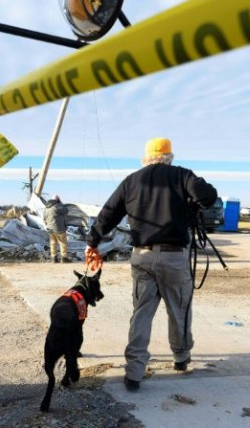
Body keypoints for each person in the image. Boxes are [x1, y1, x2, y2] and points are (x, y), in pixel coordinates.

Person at [85, 137, 217, 391]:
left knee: (142, 313)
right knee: (179, 310)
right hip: (174, 258)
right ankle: (180, 358)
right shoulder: (182, 176)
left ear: (146, 157)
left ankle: (134, 371)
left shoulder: (131, 181)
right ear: (169, 156)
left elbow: (108, 213)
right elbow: (208, 196)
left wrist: (93, 241)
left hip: (142, 256)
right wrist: (192, 204)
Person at [44, 194, 70, 263]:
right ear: (57, 199)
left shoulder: (46, 207)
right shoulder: (58, 206)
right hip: (59, 228)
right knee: (62, 243)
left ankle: (54, 258)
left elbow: (44, 218)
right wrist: (60, 203)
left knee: (53, 243)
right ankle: (64, 258)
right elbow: (66, 210)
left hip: (50, 229)